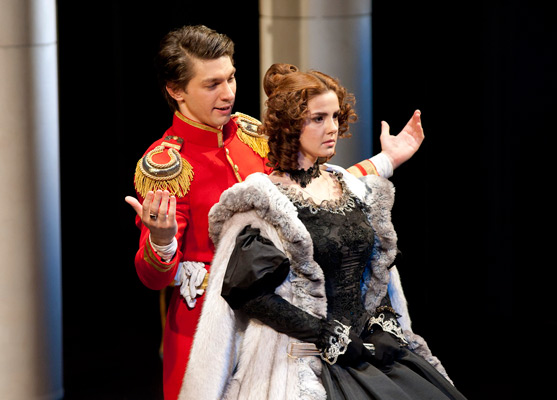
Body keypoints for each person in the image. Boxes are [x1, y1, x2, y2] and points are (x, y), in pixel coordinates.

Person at [125, 25, 424, 400]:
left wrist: (385, 161)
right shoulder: (167, 165)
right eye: (212, 84)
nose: (228, 93)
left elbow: (313, 192)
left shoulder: (253, 134)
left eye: (231, 77)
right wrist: (162, 240)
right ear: (176, 90)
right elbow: (154, 279)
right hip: (209, 327)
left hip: (280, 320)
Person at [178, 63, 467, 400]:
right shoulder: (263, 202)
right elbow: (249, 295)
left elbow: (376, 269)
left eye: (335, 116)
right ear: (289, 126)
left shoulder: (350, 187)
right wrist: (324, 332)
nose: (332, 128)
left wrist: (384, 322)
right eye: (318, 118)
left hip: (368, 353)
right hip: (302, 360)